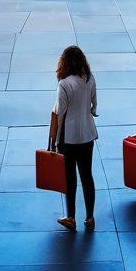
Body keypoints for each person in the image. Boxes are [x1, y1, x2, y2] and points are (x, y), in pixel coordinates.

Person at [52, 45, 99, 231]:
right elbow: (94, 105)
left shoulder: (64, 84)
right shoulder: (89, 78)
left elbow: (60, 113)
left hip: (69, 137)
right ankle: (90, 217)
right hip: (87, 134)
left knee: (70, 177)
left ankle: (71, 216)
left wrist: (56, 139)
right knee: (87, 175)